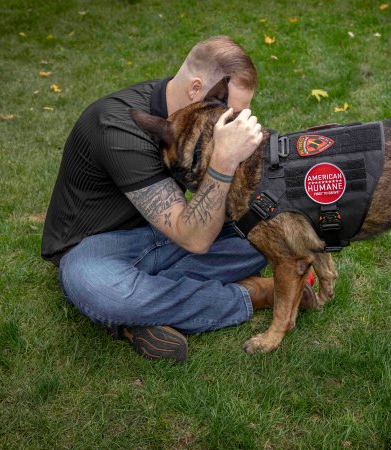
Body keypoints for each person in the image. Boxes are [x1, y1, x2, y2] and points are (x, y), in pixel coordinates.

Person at [41, 36, 317, 363]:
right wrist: (225, 160)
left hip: (170, 232)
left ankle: (147, 310)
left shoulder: (191, 117)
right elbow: (195, 239)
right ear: (198, 89)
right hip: (98, 248)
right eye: (230, 113)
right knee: (98, 289)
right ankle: (253, 294)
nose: (233, 124)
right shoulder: (118, 129)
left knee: (262, 228)